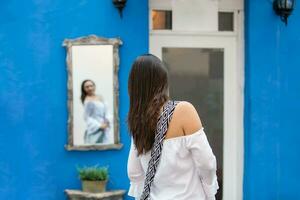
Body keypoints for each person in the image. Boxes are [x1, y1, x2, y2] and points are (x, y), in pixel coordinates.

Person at [126, 54, 219, 200]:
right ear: (162, 81)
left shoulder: (138, 121)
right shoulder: (183, 110)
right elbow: (207, 163)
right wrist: (209, 191)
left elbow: (134, 172)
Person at [81, 79, 110, 144]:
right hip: (95, 131)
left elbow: (107, 110)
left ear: (94, 86)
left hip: (105, 128)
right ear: (84, 89)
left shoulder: (100, 97)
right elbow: (86, 117)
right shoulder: (87, 101)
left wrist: (107, 121)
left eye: (91, 86)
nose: (90, 88)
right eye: (87, 87)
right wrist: (99, 125)